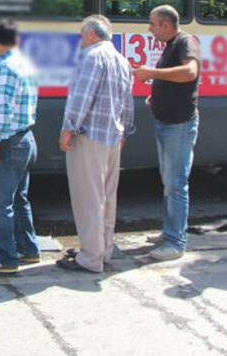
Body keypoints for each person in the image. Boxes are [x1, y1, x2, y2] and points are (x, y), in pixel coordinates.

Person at [57, 15, 134, 273]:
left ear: (91, 34)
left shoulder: (91, 57)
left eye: (81, 35)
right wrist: (124, 133)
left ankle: (90, 258)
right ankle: (104, 250)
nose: (80, 40)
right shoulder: (121, 60)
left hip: (89, 138)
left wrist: (68, 129)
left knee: (88, 199)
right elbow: (128, 103)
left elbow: (81, 98)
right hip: (113, 138)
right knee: (107, 198)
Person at [132, 5, 201, 262]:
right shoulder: (171, 45)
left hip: (179, 125)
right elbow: (175, 80)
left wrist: (152, 73)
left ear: (165, 24)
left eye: (152, 24)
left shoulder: (186, 41)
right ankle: (169, 232)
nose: (149, 29)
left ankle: (175, 242)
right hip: (166, 120)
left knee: (176, 183)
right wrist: (156, 95)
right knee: (169, 181)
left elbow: (190, 72)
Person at [0, 19, 40, 275]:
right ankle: (29, 249)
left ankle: (5, 258)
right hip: (26, 139)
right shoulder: (26, 63)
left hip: (9, 142)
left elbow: (3, 111)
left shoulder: (5, 68)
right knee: (19, 198)